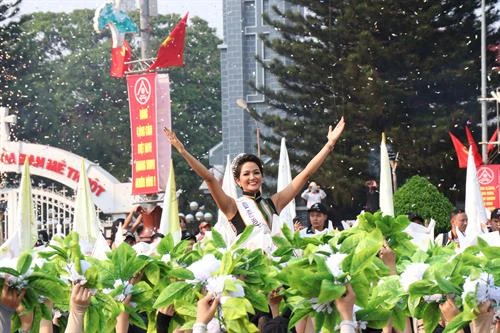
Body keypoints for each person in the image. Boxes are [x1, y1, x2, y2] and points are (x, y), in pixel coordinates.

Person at [163, 117, 345, 247]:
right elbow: (209, 178)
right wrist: (182, 150)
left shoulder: (273, 204)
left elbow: (305, 175)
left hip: (271, 269)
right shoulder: (232, 206)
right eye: (246, 174)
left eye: (256, 172)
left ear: (262, 177)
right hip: (246, 273)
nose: (252, 177)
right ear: (237, 181)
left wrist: (329, 145)